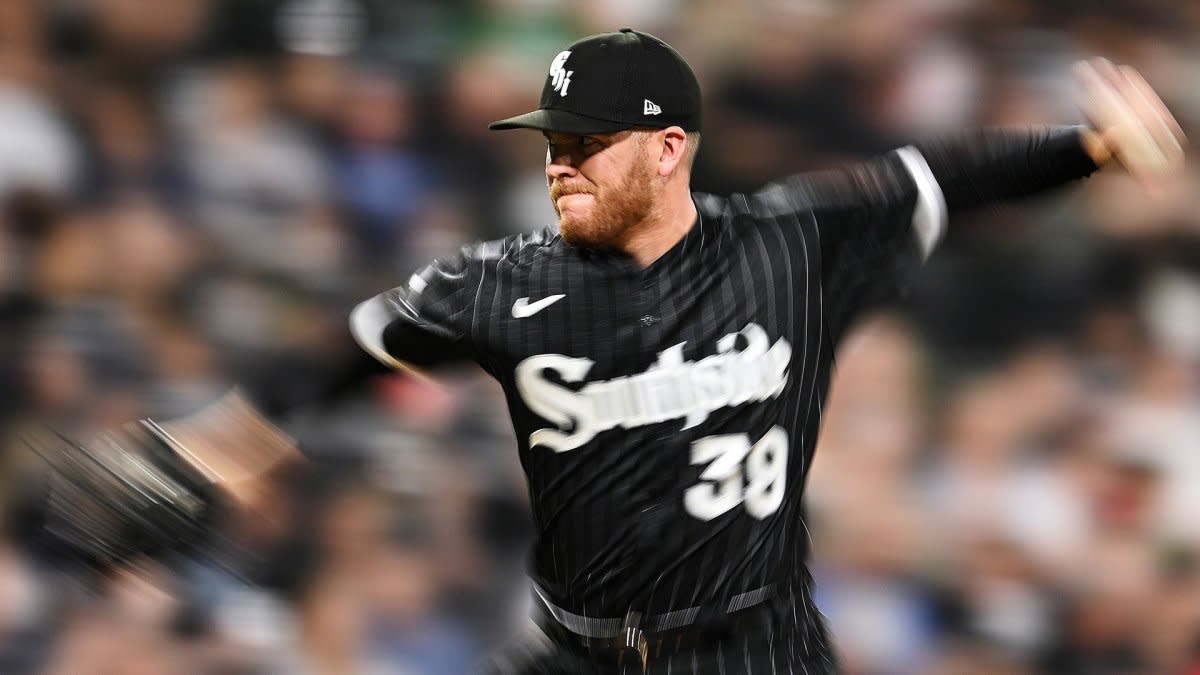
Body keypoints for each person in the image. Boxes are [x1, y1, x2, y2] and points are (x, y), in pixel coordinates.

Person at [38, 28, 1185, 674]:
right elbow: (333, 363)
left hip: (752, 650)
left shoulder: (794, 242)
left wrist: (1091, 147)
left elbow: (951, 177)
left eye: (590, 142)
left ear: (672, 147)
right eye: (554, 141)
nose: (562, 162)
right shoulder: (499, 285)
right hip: (578, 655)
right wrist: (197, 455)